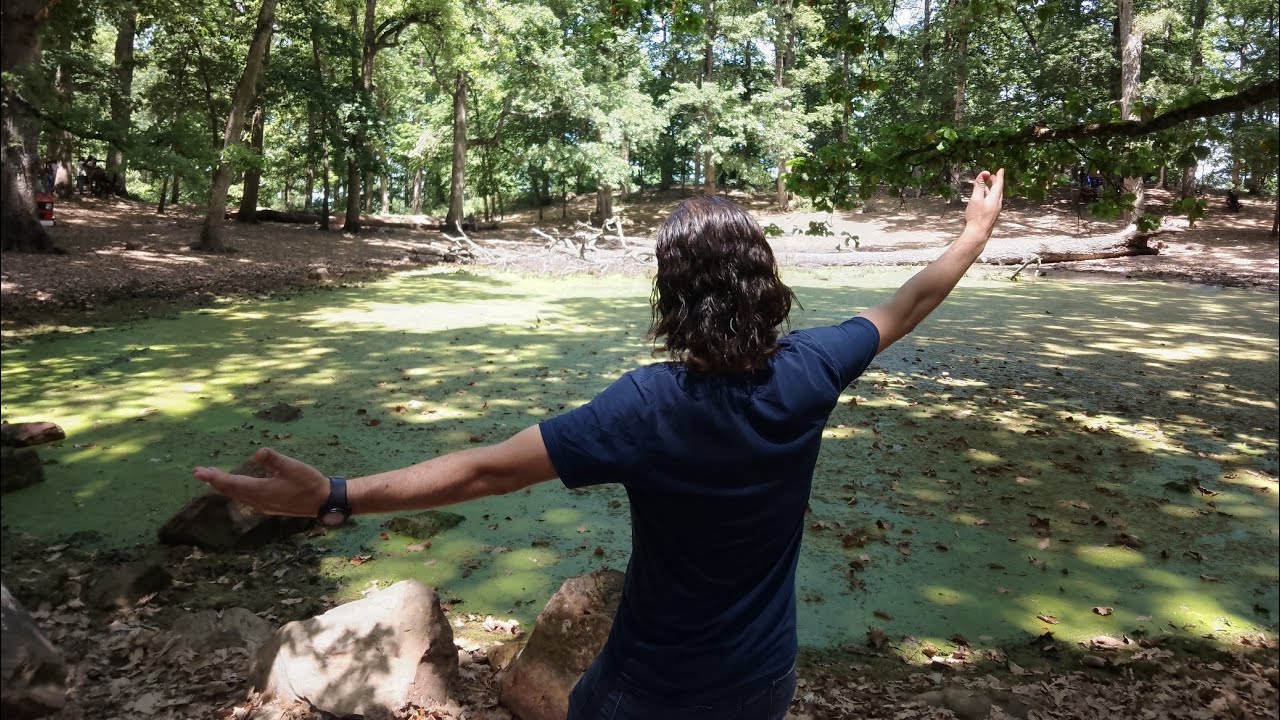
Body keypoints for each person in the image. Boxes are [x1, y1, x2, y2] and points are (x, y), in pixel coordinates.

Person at [194, 169, 1006, 720]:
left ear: (670, 293)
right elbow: (911, 302)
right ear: (765, 275)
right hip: (763, 680)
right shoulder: (813, 370)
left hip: (649, 690)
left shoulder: (648, 405)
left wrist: (333, 496)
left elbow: (482, 472)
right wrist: (974, 232)